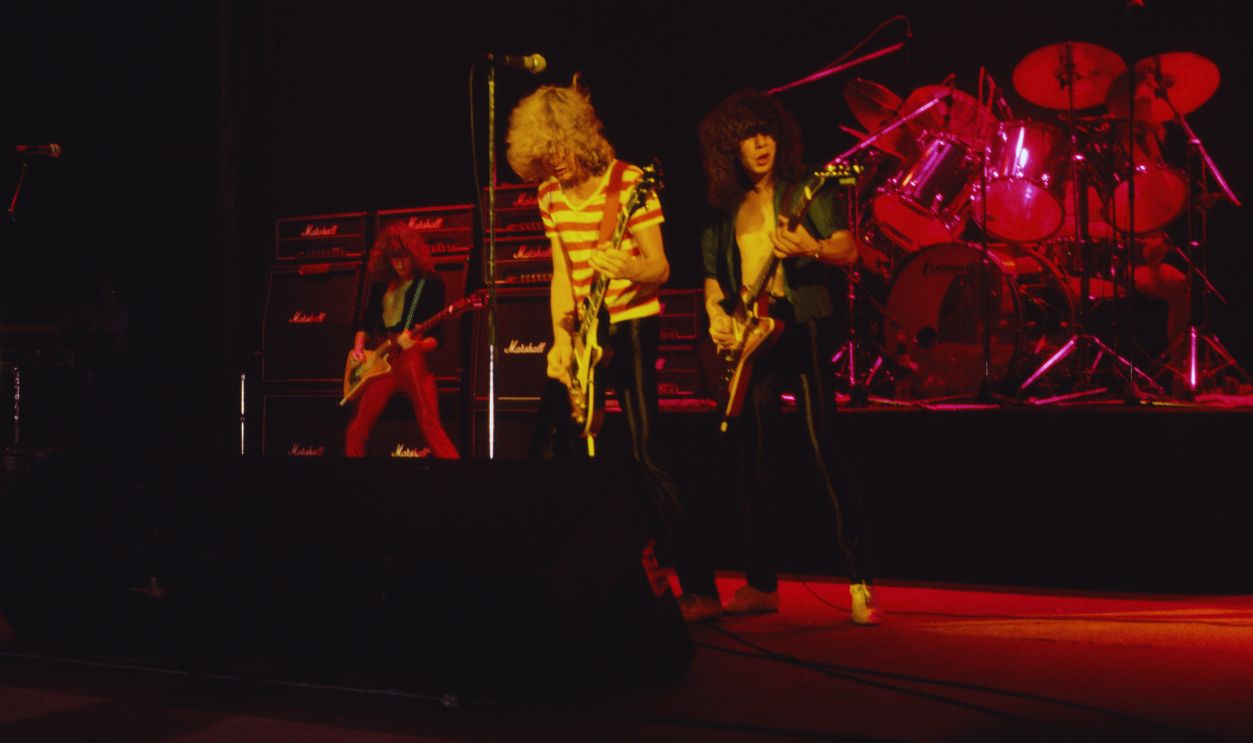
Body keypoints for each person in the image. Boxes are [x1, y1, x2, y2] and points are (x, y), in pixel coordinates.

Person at [675, 89, 880, 625]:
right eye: (747, 136)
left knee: (823, 445)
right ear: (731, 148)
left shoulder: (804, 189)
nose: (760, 143)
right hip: (754, 339)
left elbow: (847, 247)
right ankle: (762, 584)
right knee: (756, 461)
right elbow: (714, 279)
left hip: (804, 325)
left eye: (765, 132)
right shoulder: (724, 208)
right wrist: (720, 319)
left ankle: (859, 582)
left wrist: (808, 248)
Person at [505, 76, 682, 527]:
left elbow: (660, 268)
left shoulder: (629, 181)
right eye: (544, 154)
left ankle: (696, 582)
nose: (555, 163)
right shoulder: (548, 194)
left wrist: (629, 268)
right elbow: (561, 272)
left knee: (646, 450)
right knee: (550, 444)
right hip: (586, 331)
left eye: (560, 149)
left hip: (633, 321)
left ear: (580, 138)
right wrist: (560, 340)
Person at [345, 223, 459, 458]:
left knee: (431, 426)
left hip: (410, 358)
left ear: (414, 256)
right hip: (381, 361)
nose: (399, 264)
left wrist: (418, 345)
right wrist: (358, 347)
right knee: (356, 428)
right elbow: (365, 324)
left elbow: (437, 338)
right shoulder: (380, 285)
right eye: (394, 258)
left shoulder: (429, 283)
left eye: (404, 257)